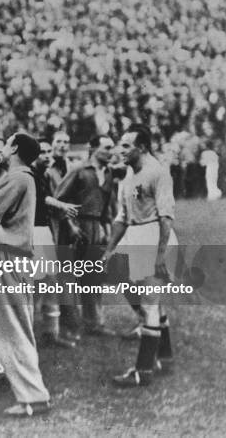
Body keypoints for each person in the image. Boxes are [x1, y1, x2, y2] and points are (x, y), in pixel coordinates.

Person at [0, 133, 51, 417]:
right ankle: (34, 394)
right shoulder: (23, 177)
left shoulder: (16, 177)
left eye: (6, 144)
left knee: (9, 329)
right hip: (17, 256)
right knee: (19, 326)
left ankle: (31, 398)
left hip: (5, 254)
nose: (3, 149)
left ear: (15, 148)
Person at [102, 124, 178, 387]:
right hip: (135, 237)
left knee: (149, 304)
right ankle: (164, 355)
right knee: (129, 287)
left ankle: (143, 370)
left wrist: (160, 256)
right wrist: (110, 249)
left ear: (142, 147)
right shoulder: (128, 177)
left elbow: (166, 218)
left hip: (153, 236)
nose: (120, 150)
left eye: (126, 145)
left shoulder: (157, 173)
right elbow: (122, 218)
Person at [55, 135, 116, 336]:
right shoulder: (79, 169)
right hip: (75, 227)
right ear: (93, 148)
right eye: (107, 147)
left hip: (96, 228)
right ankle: (68, 325)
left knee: (93, 278)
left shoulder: (108, 173)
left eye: (112, 148)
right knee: (68, 278)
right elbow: (59, 199)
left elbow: (106, 205)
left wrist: (106, 229)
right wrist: (70, 224)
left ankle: (94, 323)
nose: (110, 152)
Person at [31, 138, 80, 348]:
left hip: (45, 233)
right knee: (34, 286)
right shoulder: (29, 176)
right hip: (32, 232)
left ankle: (52, 332)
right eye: (42, 151)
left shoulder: (41, 175)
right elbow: (43, 198)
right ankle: (29, 336)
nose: (47, 154)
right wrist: (62, 205)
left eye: (48, 151)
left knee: (51, 283)